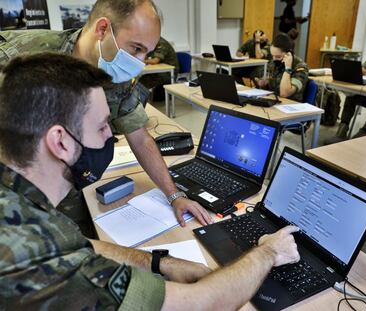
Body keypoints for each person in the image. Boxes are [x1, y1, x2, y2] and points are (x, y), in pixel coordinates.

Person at [0, 52, 300, 310]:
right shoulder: (38, 263)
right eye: (103, 125)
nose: (112, 136)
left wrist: (160, 262)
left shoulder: (18, 199)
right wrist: (269, 252)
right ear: (61, 142)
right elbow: (203, 304)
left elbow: (78, 245)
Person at [0, 0, 212, 234]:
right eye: (136, 48)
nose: (140, 63)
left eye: (147, 53)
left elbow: (140, 137)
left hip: (73, 192)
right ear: (102, 29)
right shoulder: (20, 54)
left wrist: (175, 195)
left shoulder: (117, 73)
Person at [255, 33, 309, 102]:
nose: (274, 59)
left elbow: (285, 93)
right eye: (273, 56)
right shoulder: (273, 63)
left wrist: (288, 68)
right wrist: (261, 82)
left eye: (278, 56)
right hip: (273, 101)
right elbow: (263, 81)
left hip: (290, 105)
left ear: (289, 53)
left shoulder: (300, 67)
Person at [140, 36, 179, 101]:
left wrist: (141, 61)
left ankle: (141, 102)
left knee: (142, 82)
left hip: (168, 73)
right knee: (139, 79)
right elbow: (146, 55)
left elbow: (155, 60)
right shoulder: (152, 42)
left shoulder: (161, 43)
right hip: (159, 71)